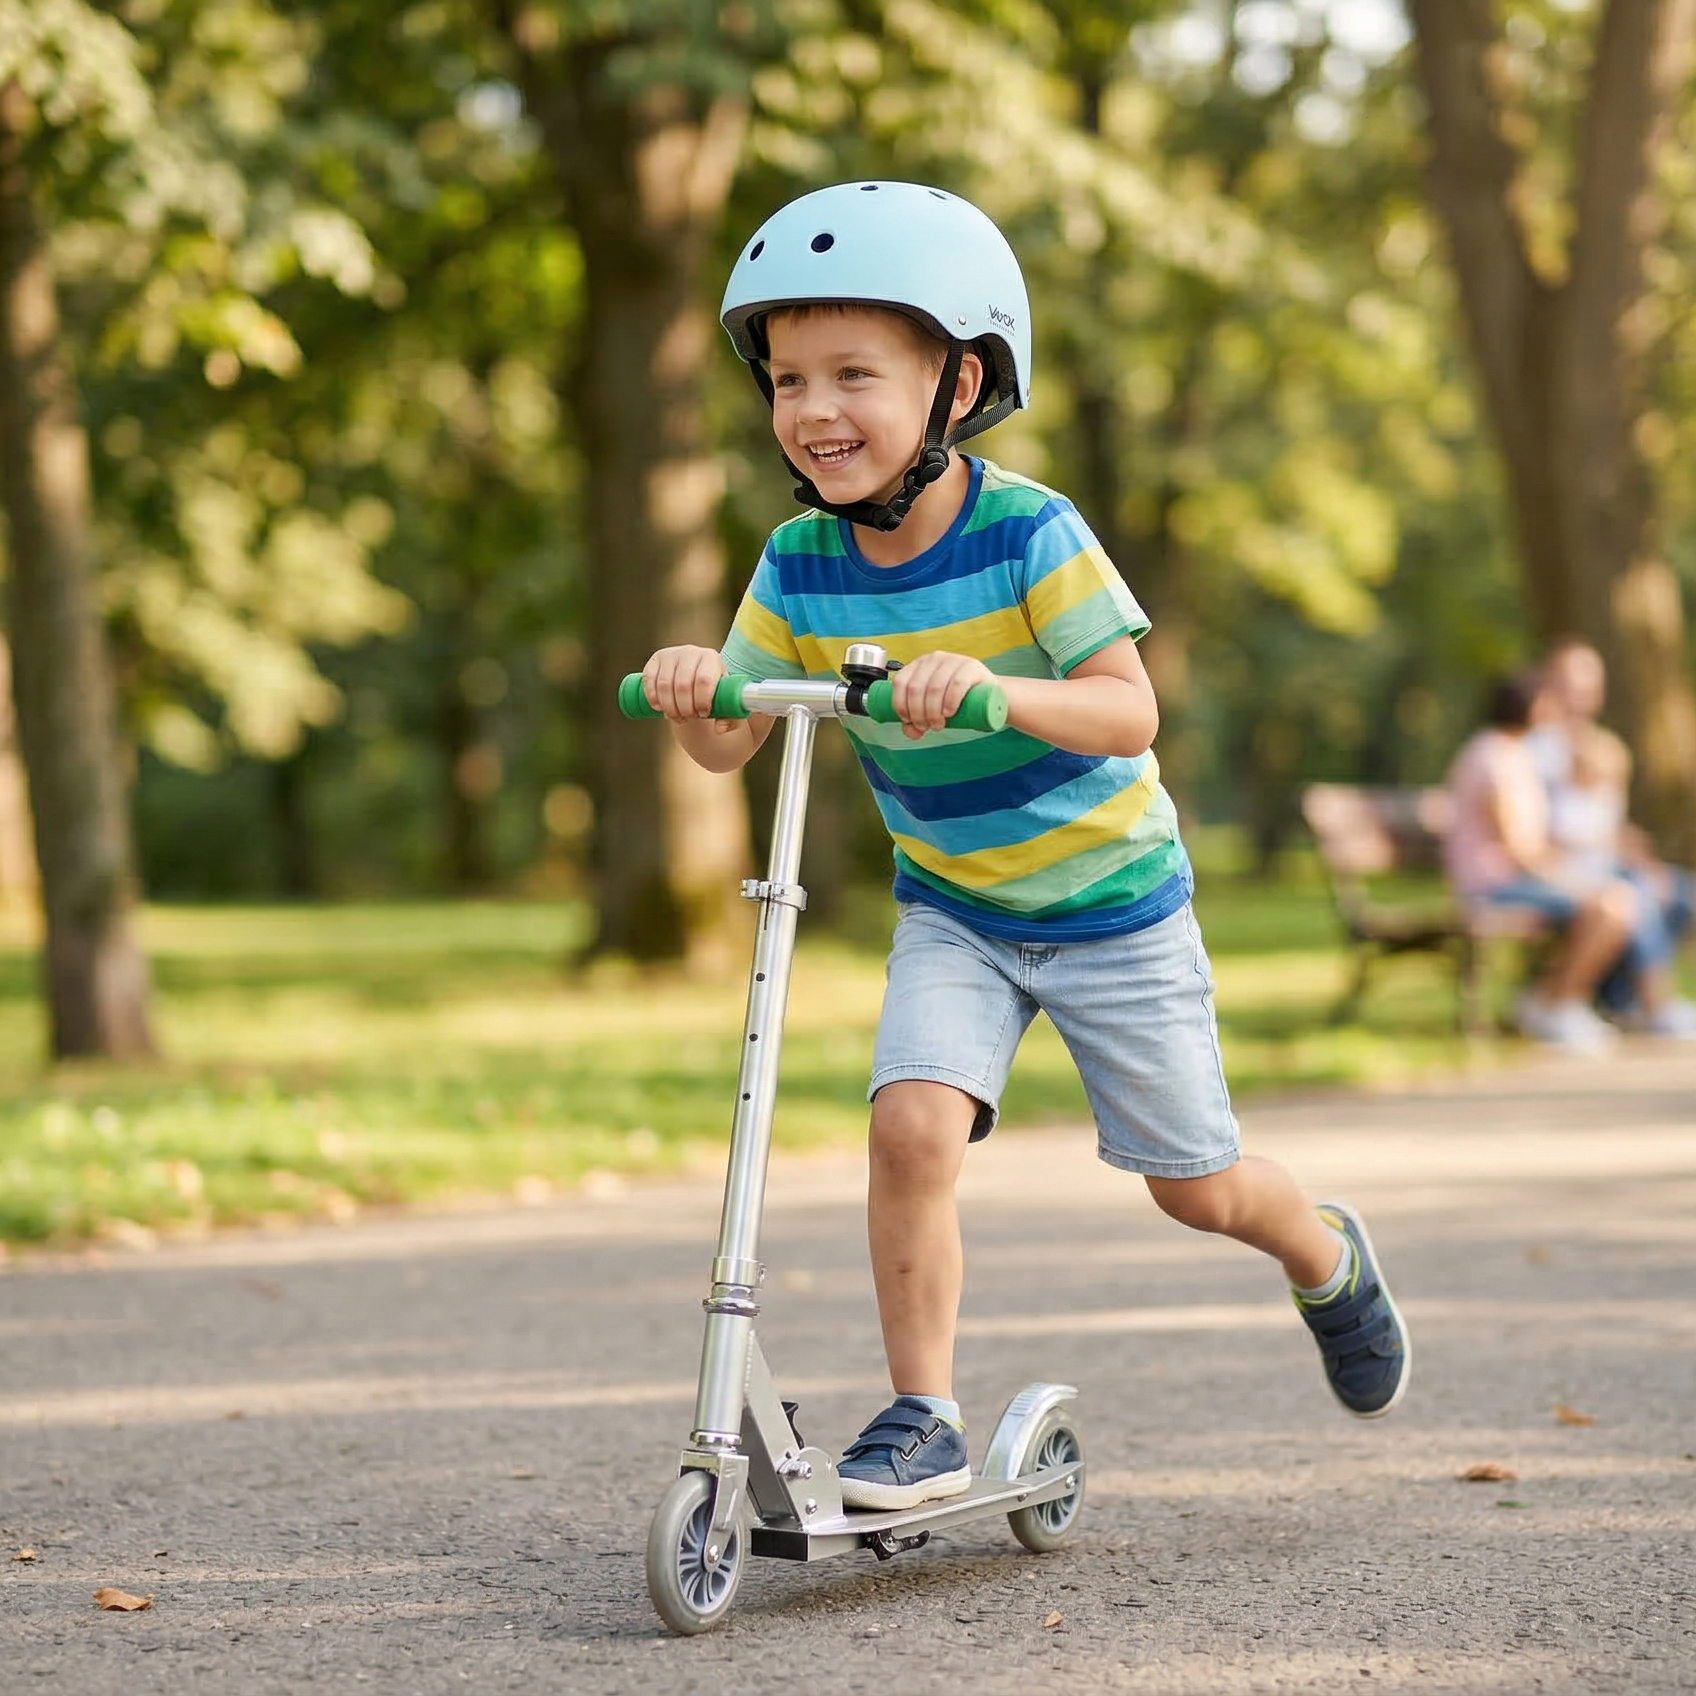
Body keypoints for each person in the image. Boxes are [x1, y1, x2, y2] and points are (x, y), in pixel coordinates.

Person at [636, 182, 1408, 1510]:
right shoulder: (799, 561)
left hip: (1114, 906)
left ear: (959, 382)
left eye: (855, 375)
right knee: (908, 1130)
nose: (814, 410)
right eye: (788, 380)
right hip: (957, 908)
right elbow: (732, 741)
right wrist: (697, 688)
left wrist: (994, 691)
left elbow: (1128, 710)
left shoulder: (1030, 532)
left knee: (1198, 1190)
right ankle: (923, 1414)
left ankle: (1324, 1255)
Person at [1442, 673, 1655, 1052]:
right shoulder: (1495, 759)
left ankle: (1545, 1003)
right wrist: (1571, 879)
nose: (1556, 712)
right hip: (1495, 887)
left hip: (1513, 881)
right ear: (1531, 707)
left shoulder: (1508, 754)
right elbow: (1518, 850)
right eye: (1549, 703)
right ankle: (1559, 1006)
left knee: (1616, 897)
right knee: (1611, 906)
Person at [1529, 639, 1696, 1035]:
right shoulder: (1536, 750)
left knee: (1680, 895)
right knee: (1635, 895)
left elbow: (1609, 824)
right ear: (1548, 686)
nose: (1578, 698)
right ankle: (1656, 1004)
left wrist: (1642, 858)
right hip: (1564, 871)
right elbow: (1540, 831)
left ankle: (1624, 1000)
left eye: (1587, 688)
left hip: (1605, 864)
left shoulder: (1602, 746)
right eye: (1568, 686)